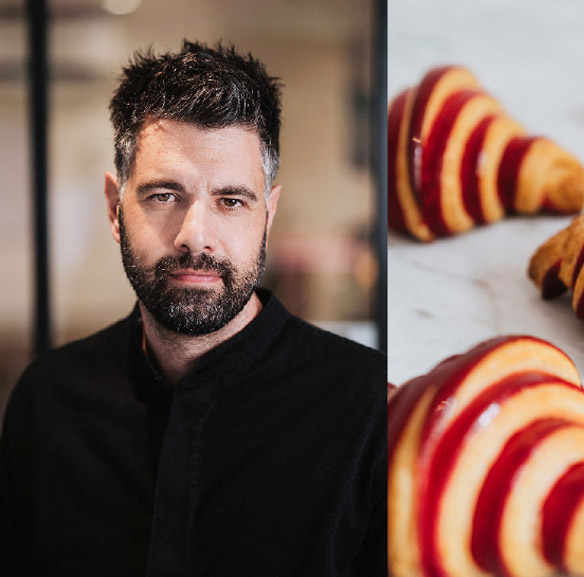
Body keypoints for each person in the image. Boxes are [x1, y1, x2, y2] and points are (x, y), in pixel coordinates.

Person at [0, 41, 386, 577]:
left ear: (267, 214)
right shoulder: (47, 403)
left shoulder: (369, 409)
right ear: (116, 209)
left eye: (231, 200)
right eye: (164, 195)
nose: (194, 236)